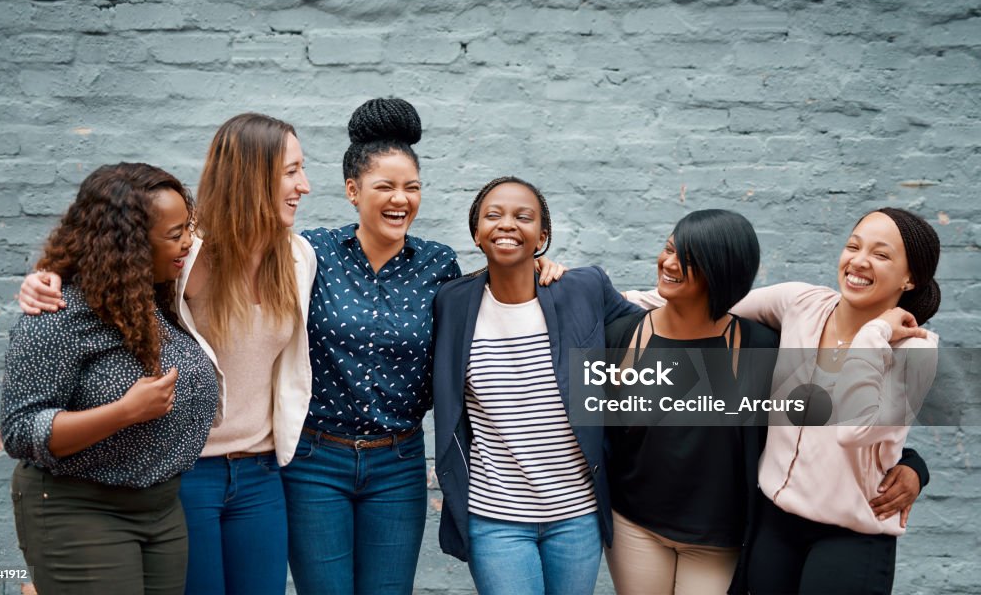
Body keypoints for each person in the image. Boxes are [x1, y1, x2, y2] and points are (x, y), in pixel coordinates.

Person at [17, 113, 317, 595]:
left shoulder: (300, 257)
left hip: (261, 472)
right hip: (189, 470)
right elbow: (107, 259)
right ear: (248, 177)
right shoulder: (184, 256)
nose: (304, 185)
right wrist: (44, 275)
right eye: (290, 172)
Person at [282, 100, 566, 595]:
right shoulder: (313, 252)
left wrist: (537, 268)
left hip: (398, 463)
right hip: (315, 460)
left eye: (411, 188)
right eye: (385, 187)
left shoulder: (437, 264)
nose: (401, 199)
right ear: (353, 191)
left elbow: (483, 302)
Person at [625, 207, 940, 594]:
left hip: (850, 537)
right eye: (853, 246)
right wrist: (580, 292)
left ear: (910, 277)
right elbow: (701, 302)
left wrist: (874, 334)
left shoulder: (916, 350)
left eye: (881, 254)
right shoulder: (800, 304)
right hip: (773, 526)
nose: (859, 261)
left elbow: (854, 430)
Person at [1, 163, 219, 595]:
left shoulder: (152, 295)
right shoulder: (57, 316)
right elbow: (21, 431)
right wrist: (123, 412)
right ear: (132, 245)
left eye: (187, 228)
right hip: (81, 507)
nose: (188, 242)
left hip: (160, 508)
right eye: (175, 234)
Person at [431, 176, 642, 595]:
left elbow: (649, 327)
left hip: (576, 516)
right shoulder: (451, 303)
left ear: (542, 236)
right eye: (493, 215)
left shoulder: (582, 289)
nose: (507, 224)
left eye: (522, 217)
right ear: (477, 233)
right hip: (495, 518)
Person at [602, 210, 779, 595]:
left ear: (721, 270)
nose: (669, 263)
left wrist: (909, 464)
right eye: (669, 249)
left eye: (688, 258)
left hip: (718, 539)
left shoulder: (759, 346)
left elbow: (816, 429)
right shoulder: (619, 336)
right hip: (634, 525)